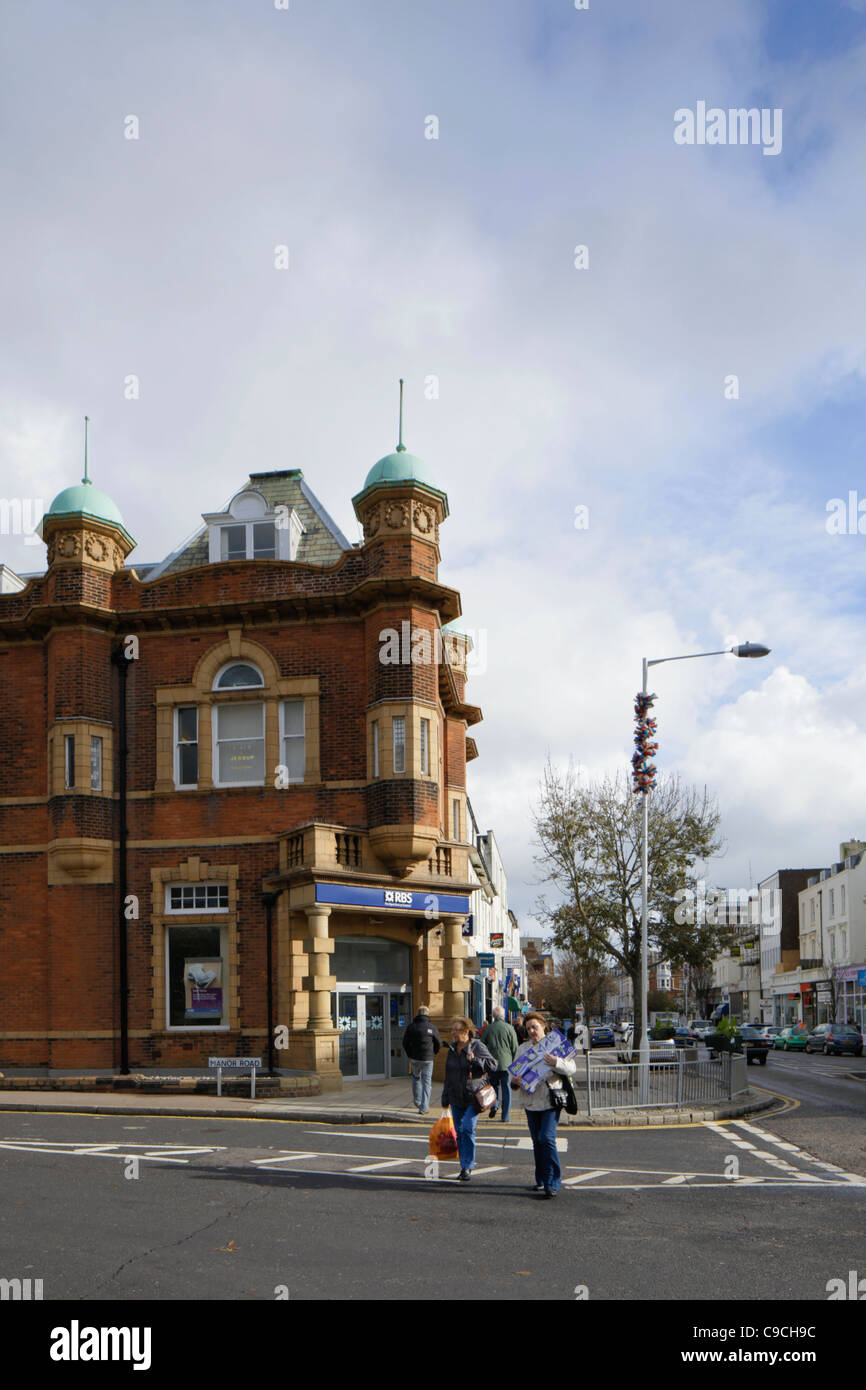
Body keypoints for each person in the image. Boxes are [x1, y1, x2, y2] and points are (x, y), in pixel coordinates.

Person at [511, 1011, 577, 1199]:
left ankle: (553, 1182)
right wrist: (514, 1081)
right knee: (537, 1142)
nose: (532, 1031)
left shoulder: (556, 1044)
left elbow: (572, 1067)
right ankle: (541, 1179)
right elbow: (513, 1073)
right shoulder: (523, 1049)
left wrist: (556, 1062)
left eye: (535, 1027)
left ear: (544, 1027)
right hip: (530, 1101)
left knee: (546, 1139)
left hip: (550, 1099)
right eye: (528, 1028)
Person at [440, 1016, 497, 1180]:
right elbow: (448, 1075)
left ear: (466, 1031)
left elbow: (494, 1064)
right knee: (459, 1132)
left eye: (456, 1030)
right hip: (456, 1096)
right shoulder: (451, 1049)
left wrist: (475, 1060)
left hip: (473, 1096)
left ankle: (468, 1165)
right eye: (452, 1030)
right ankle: (464, 1167)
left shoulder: (477, 1046)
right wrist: (445, 1097)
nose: (453, 1033)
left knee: (467, 1128)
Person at [401, 1005, 441, 1115]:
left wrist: (410, 1054)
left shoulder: (411, 1027)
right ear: (427, 1014)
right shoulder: (432, 1027)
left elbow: (405, 1043)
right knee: (427, 1083)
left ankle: (417, 1101)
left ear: (418, 1014)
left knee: (416, 1079)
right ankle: (424, 1107)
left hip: (414, 1058)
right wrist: (433, 1053)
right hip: (428, 1059)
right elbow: (438, 1043)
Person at [483, 1005, 519, 1121]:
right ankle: (506, 1115)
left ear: (493, 1016)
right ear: (503, 1016)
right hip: (507, 1064)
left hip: (492, 1064)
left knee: (493, 1087)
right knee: (506, 1090)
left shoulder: (488, 1029)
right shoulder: (510, 1028)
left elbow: (482, 1046)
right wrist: (515, 1062)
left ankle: (494, 1106)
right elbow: (515, 1048)